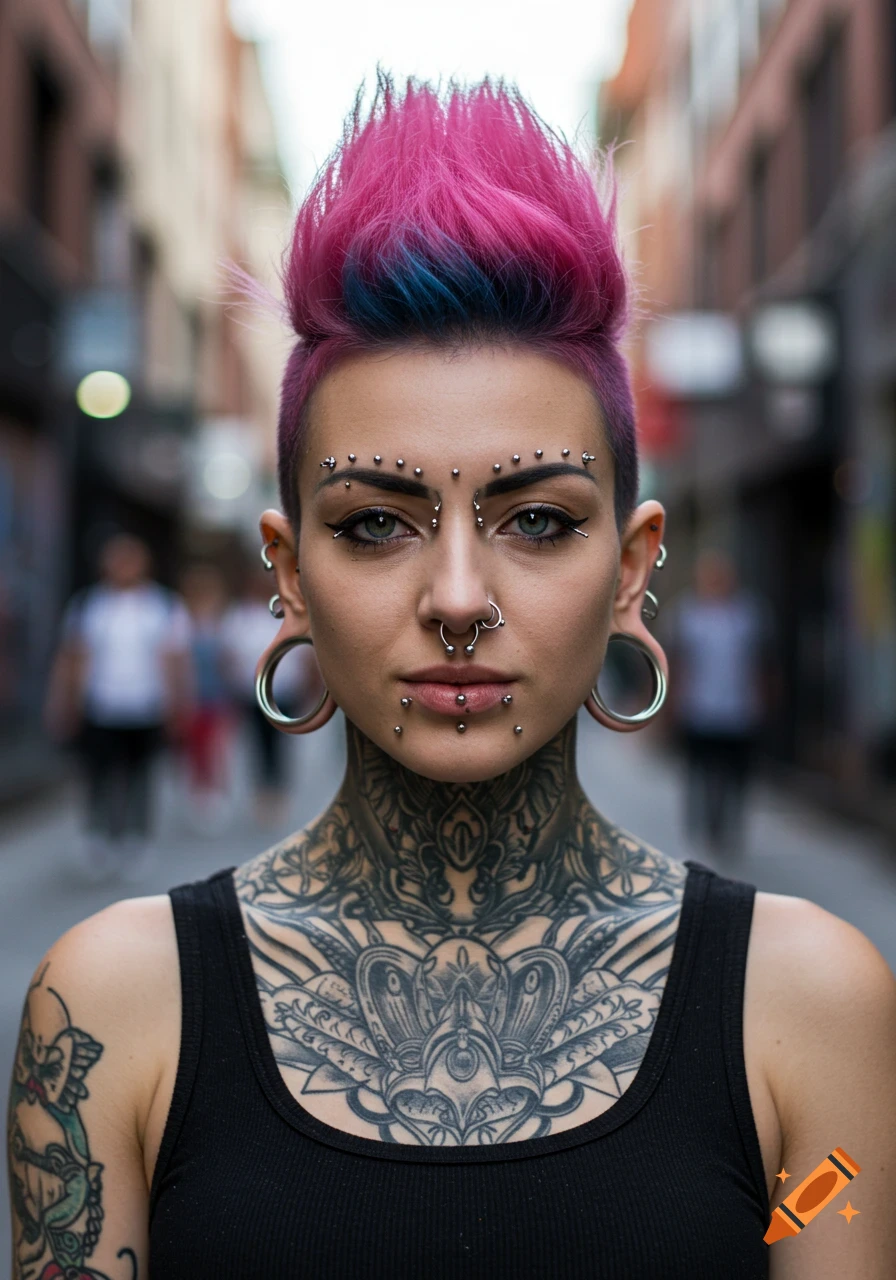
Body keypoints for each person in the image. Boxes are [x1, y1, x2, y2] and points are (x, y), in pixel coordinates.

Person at [9, 77, 894, 1279]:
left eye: (537, 519)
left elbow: (815, 1229)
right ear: (288, 572)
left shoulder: (809, 1008)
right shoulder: (115, 1010)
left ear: (631, 568)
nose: (460, 599)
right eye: (377, 522)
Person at [42, 532, 191, 882]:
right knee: (97, 774)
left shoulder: (162, 606)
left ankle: (136, 839)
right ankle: (98, 835)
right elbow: (70, 656)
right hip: (101, 705)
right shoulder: (88, 605)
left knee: (140, 775)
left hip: (145, 705)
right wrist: (62, 700)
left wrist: (180, 702)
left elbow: (177, 660)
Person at [664, 548, 779, 855]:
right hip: (699, 707)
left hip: (739, 709)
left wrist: (764, 697)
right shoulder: (688, 614)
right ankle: (704, 824)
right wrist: (673, 701)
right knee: (700, 771)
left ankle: (729, 825)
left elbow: (761, 661)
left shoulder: (749, 614)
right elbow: (679, 662)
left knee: (736, 773)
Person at [220, 563, 321, 827]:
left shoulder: (290, 613)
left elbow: (305, 654)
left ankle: (278, 793)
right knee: (258, 743)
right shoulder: (240, 616)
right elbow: (229, 655)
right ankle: (262, 793)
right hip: (251, 692)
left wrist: (310, 687)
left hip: (284, 691)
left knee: (280, 744)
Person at [178, 563, 234, 831]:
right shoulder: (181, 621)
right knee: (194, 748)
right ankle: (198, 792)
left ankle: (214, 792)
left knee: (216, 747)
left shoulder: (220, 622)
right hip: (192, 696)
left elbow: (227, 663)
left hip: (216, 696)